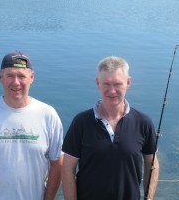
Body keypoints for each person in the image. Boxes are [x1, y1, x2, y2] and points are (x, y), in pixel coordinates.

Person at [0, 51, 63, 200]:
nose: (16, 82)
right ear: (0, 77)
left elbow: (57, 163)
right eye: (10, 75)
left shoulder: (48, 115)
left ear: (31, 77)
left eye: (21, 76)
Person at [62, 56, 159, 200]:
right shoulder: (81, 122)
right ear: (97, 83)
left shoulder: (143, 122)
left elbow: (152, 164)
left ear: (128, 83)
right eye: (106, 84)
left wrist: (149, 197)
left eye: (118, 84)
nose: (112, 91)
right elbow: (67, 168)